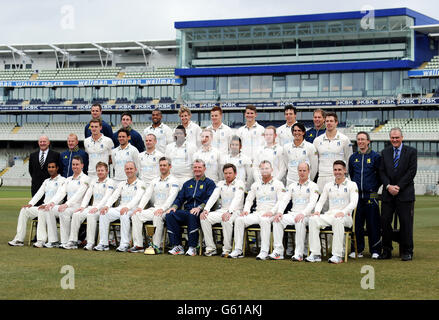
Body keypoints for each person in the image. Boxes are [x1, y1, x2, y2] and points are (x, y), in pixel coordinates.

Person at [229, 160, 285, 260]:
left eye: (267, 168)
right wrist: (246, 210)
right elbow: (249, 199)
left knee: (264, 220)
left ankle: (264, 251)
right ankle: (238, 249)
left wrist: (272, 212)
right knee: (239, 220)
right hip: (258, 212)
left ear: (272, 170)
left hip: (271, 213)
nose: (264, 171)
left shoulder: (278, 184)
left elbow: (281, 201)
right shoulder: (256, 185)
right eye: (262, 169)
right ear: (260, 170)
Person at [306, 160, 359, 264]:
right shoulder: (328, 185)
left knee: (338, 220)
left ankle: (337, 255)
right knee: (313, 219)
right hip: (330, 215)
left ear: (345, 170)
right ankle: (315, 254)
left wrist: (343, 212)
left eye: (340, 170)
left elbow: (353, 203)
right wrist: (317, 211)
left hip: (345, 217)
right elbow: (321, 201)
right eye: (335, 170)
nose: (337, 172)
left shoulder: (352, 185)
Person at [379, 128, 417, 261]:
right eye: (392, 138)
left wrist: (398, 187)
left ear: (402, 137)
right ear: (390, 138)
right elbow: (381, 172)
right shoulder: (384, 152)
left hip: (405, 193)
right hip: (388, 194)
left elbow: (412, 172)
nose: (394, 140)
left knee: (406, 223)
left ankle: (407, 251)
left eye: (397, 137)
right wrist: (389, 186)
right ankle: (386, 250)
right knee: (384, 222)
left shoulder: (411, 152)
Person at [269, 162, 319, 261]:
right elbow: (284, 200)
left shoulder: (313, 186)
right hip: (293, 213)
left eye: (304, 170)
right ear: (297, 171)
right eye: (300, 170)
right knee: (277, 220)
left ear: (309, 172)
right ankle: (278, 251)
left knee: (299, 221)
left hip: (307, 215)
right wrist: (279, 212)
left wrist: (303, 213)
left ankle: (299, 253)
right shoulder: (292, 186)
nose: (302, 173)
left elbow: (312, 203)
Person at [8, 161, 66, 247]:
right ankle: (19, 239)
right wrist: (30, 204)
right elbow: (39, 193)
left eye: (53, 167)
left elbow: (60, 195)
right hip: (44, 206)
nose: (51, 169)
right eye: (49, 167)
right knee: (24, 210)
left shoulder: (63, 180)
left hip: (54, 208)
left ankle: (41, 241)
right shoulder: (46, 181)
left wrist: (49, 204)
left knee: (42, 211)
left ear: (57, 168)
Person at [165, 159, 216, 256]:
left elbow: (210, 199)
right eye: (195, 167)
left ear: (204, 168)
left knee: (193, 214)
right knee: (170, 215)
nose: (197, 169)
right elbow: (180, 198)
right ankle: (177, 246)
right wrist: (174, 207)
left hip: (200, 212)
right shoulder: (187, 183)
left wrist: (199, 208)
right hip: (187, 211)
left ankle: (192, 247)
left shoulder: (209, 183)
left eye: (199, 167)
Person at [129, 157, 180, 253]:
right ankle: (138, 245)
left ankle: (156, 246)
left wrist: (163, 208)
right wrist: (140, 207)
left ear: (170, 166)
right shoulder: (155, 180)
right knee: (136, 215)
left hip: (168, 211)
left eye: (165, 165)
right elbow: (147, 194)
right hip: (155, 208)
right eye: (161, 165)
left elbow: (172, 197)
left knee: (157, 216)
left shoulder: (174, 181)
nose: (162, 167)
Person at [94, 161, 146, 252]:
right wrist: (107, 206)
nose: (129, 171)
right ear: (124, 170)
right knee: (104, 213)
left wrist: (128, 207)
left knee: (124, 214)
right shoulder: (122, 184)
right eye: (127, 169)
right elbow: (114, 196)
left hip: (133, 210)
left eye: (131, 169)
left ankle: (125, 244)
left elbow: (137, 198)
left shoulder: (141, 183)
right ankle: (103, 243)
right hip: (121, 208)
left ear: (135, 170)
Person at [65, 162, 116, 250]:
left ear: (107, 171)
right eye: (98, 170)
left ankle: (90, 242)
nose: (100, 172)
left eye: (102, 170)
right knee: (76, 214)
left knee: (91, 215)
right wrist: (82, 206)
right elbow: (88, 195)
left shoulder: (110, 182)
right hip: (93, 207)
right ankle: (73, 241)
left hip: (104, 208)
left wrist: (97, 208)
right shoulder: (94, 181)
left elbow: (107, 197)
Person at [43, 156, 90, 249]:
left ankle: (68, 241)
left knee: (64, 211)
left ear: (82, 165)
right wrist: (52, 202)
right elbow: (61, 193)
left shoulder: (86, 179)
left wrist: (66, 204)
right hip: (68, 206)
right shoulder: (68, 179)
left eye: (77, 164)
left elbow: (79, 194)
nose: (75, 166)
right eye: (73, 164)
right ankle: (53, 241)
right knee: (49, 209)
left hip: (78, 207)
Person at [348, 131, 382, 259]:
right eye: (358, 139)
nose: (360, 142)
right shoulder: (353, 157)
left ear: (368, 141)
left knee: (373, 223)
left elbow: (379, 176)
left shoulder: (375, 157)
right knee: (357, 225)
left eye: (363, 139)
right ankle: (357, 249)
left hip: (371, 195)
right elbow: (352, 174)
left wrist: (373, 188)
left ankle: (376, 250)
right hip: (357, 197)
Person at [200, 163, 245, 257]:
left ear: (235, 173)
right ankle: (211, 248)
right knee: (204, 218)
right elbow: (214, 196)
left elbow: (238, 198)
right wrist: (206, 209)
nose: (227, 175)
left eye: (230, 173)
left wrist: (230, 212)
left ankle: (227, 249)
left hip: (236, 211)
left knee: (226, 219)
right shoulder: (220, 183)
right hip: (222, 210)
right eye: (225, 173)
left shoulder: (240, 183)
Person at [313, 112, 353, 209]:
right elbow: (314, 162)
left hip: (338, 177)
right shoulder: (317, 140)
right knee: (322, 208)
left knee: (338, 207)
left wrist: (346, 177)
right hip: (322, 177)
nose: (329, 123)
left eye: (331, 121)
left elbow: (349, 159)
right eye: (327, 121)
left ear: (336, 123)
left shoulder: (344, 139)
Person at [283, 122, 318, 186]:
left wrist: (309, 179)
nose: (297, 133)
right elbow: (286, 164)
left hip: (306, 182)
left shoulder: (310, 147)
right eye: (295, 131)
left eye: (299, 130)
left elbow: (314, 167)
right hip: (290, 181)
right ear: (292, 133)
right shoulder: (286, 147)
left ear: (303, 132)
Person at [29, 135, 60, 204]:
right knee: (36, 209)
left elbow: (58, 170)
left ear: (48, 143)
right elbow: (31, 170)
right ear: (38, 143)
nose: (42, 143)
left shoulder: (56, 155)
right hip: (36, 187)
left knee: (49, 210)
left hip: (51, 187)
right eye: (41, 141)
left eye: (44, 141)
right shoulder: (32, 155)